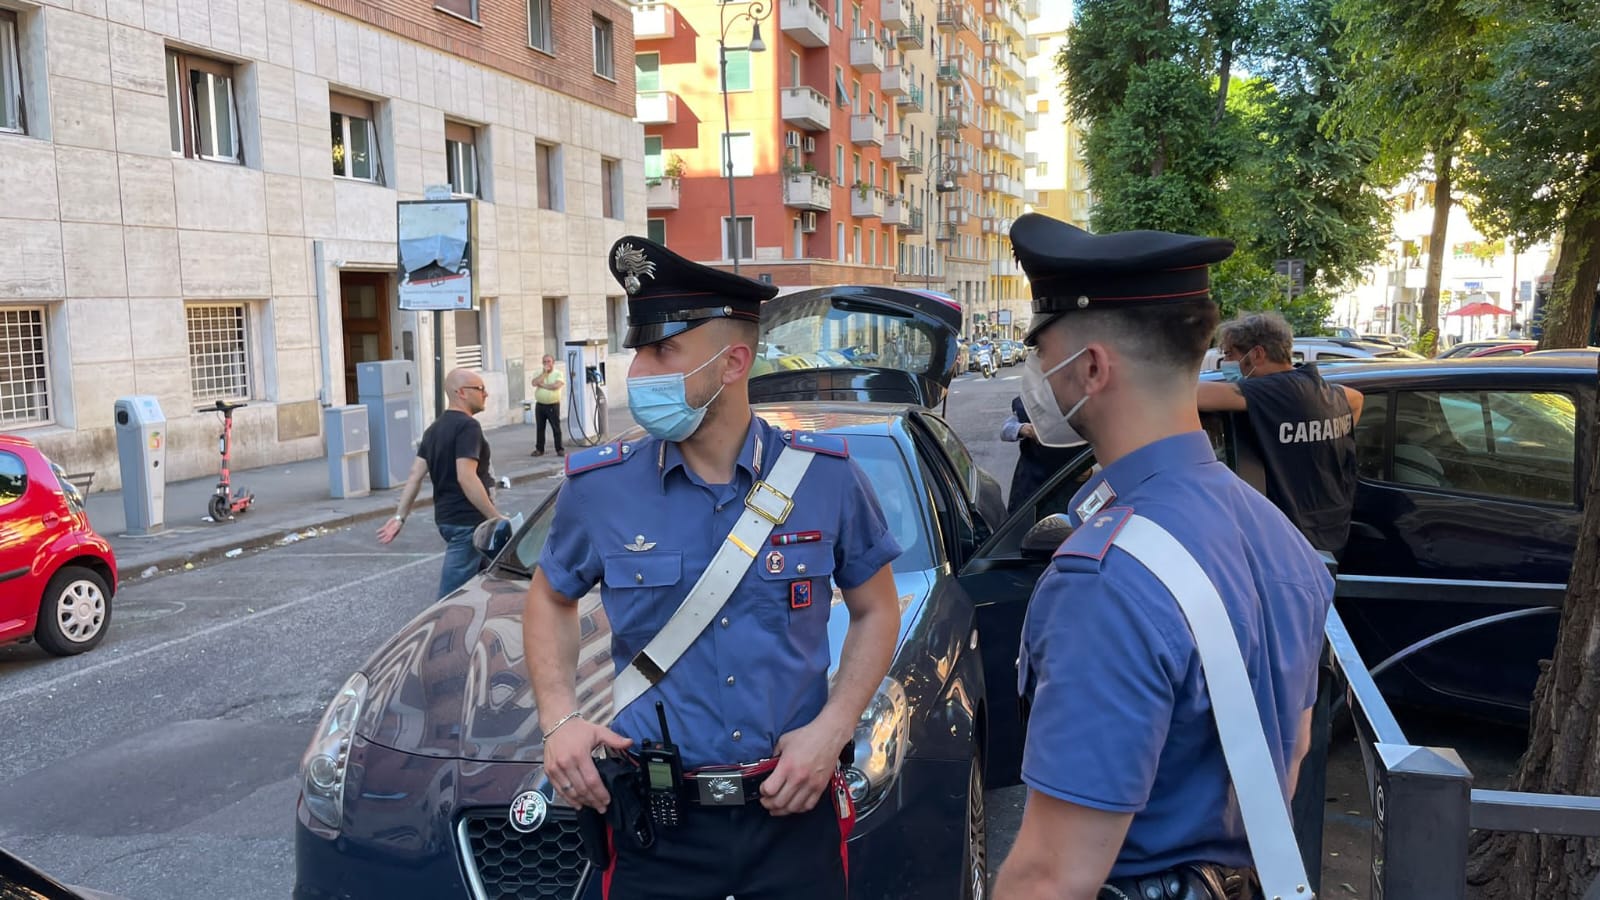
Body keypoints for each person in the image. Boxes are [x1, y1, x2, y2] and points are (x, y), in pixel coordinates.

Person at [523, 236, 904, 900]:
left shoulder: (828, 481)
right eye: (638, 350)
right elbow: (549, 597)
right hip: (656, 827)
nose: (639, 370)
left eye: (661, 351)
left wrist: (835, 727)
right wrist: (559, 720)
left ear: (733, 363)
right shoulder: (600, 489)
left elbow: (877, 608)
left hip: (791, 813)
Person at [993, 214, 1334, 900]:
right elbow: (1286, 761)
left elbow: (1051, 876)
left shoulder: (1106, 579)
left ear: (1090, 368)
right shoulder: (1277, 535)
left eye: (1043, 353)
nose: (1038, 375)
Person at [1198, 312, 1364, 559]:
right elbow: (1356, 398)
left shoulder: (1274, 390)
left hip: (1290, 539)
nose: (1227, 363)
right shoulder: (1315, 387)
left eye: (1229, 354)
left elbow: (1191, 396)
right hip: (1333, 529)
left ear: (1257, 354)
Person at [377, 367, 506, 599]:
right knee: (450, 598)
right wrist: (495, 517)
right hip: (468, 523)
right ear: (461, 393)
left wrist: (399, 517)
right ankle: (442, 631)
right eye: (480, 389)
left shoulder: (434, 429)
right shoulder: (468, 427)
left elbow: (415, 475)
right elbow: (465, 476)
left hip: (449, 520)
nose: (485, 394)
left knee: (493, 580)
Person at [1001, 394, 1086, 513]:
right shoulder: (1029, 401)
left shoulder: (1086, 403)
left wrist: (1091, 469)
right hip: (1032, 483)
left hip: (1072, 485)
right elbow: (1006, 429)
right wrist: (1023, 428)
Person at [531, 354, 566, 457]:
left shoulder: (558, 373)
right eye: (544, 362)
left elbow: (556, 386)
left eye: (549, 361)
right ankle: (539, 449)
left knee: (556, 427)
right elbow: (534, 383)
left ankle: (559, 449)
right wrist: (544, 374)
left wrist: (542, 385)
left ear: (553, 363)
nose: (547, 364)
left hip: (552, 405)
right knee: (540, 428)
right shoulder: (539, 372)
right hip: (540, 405)